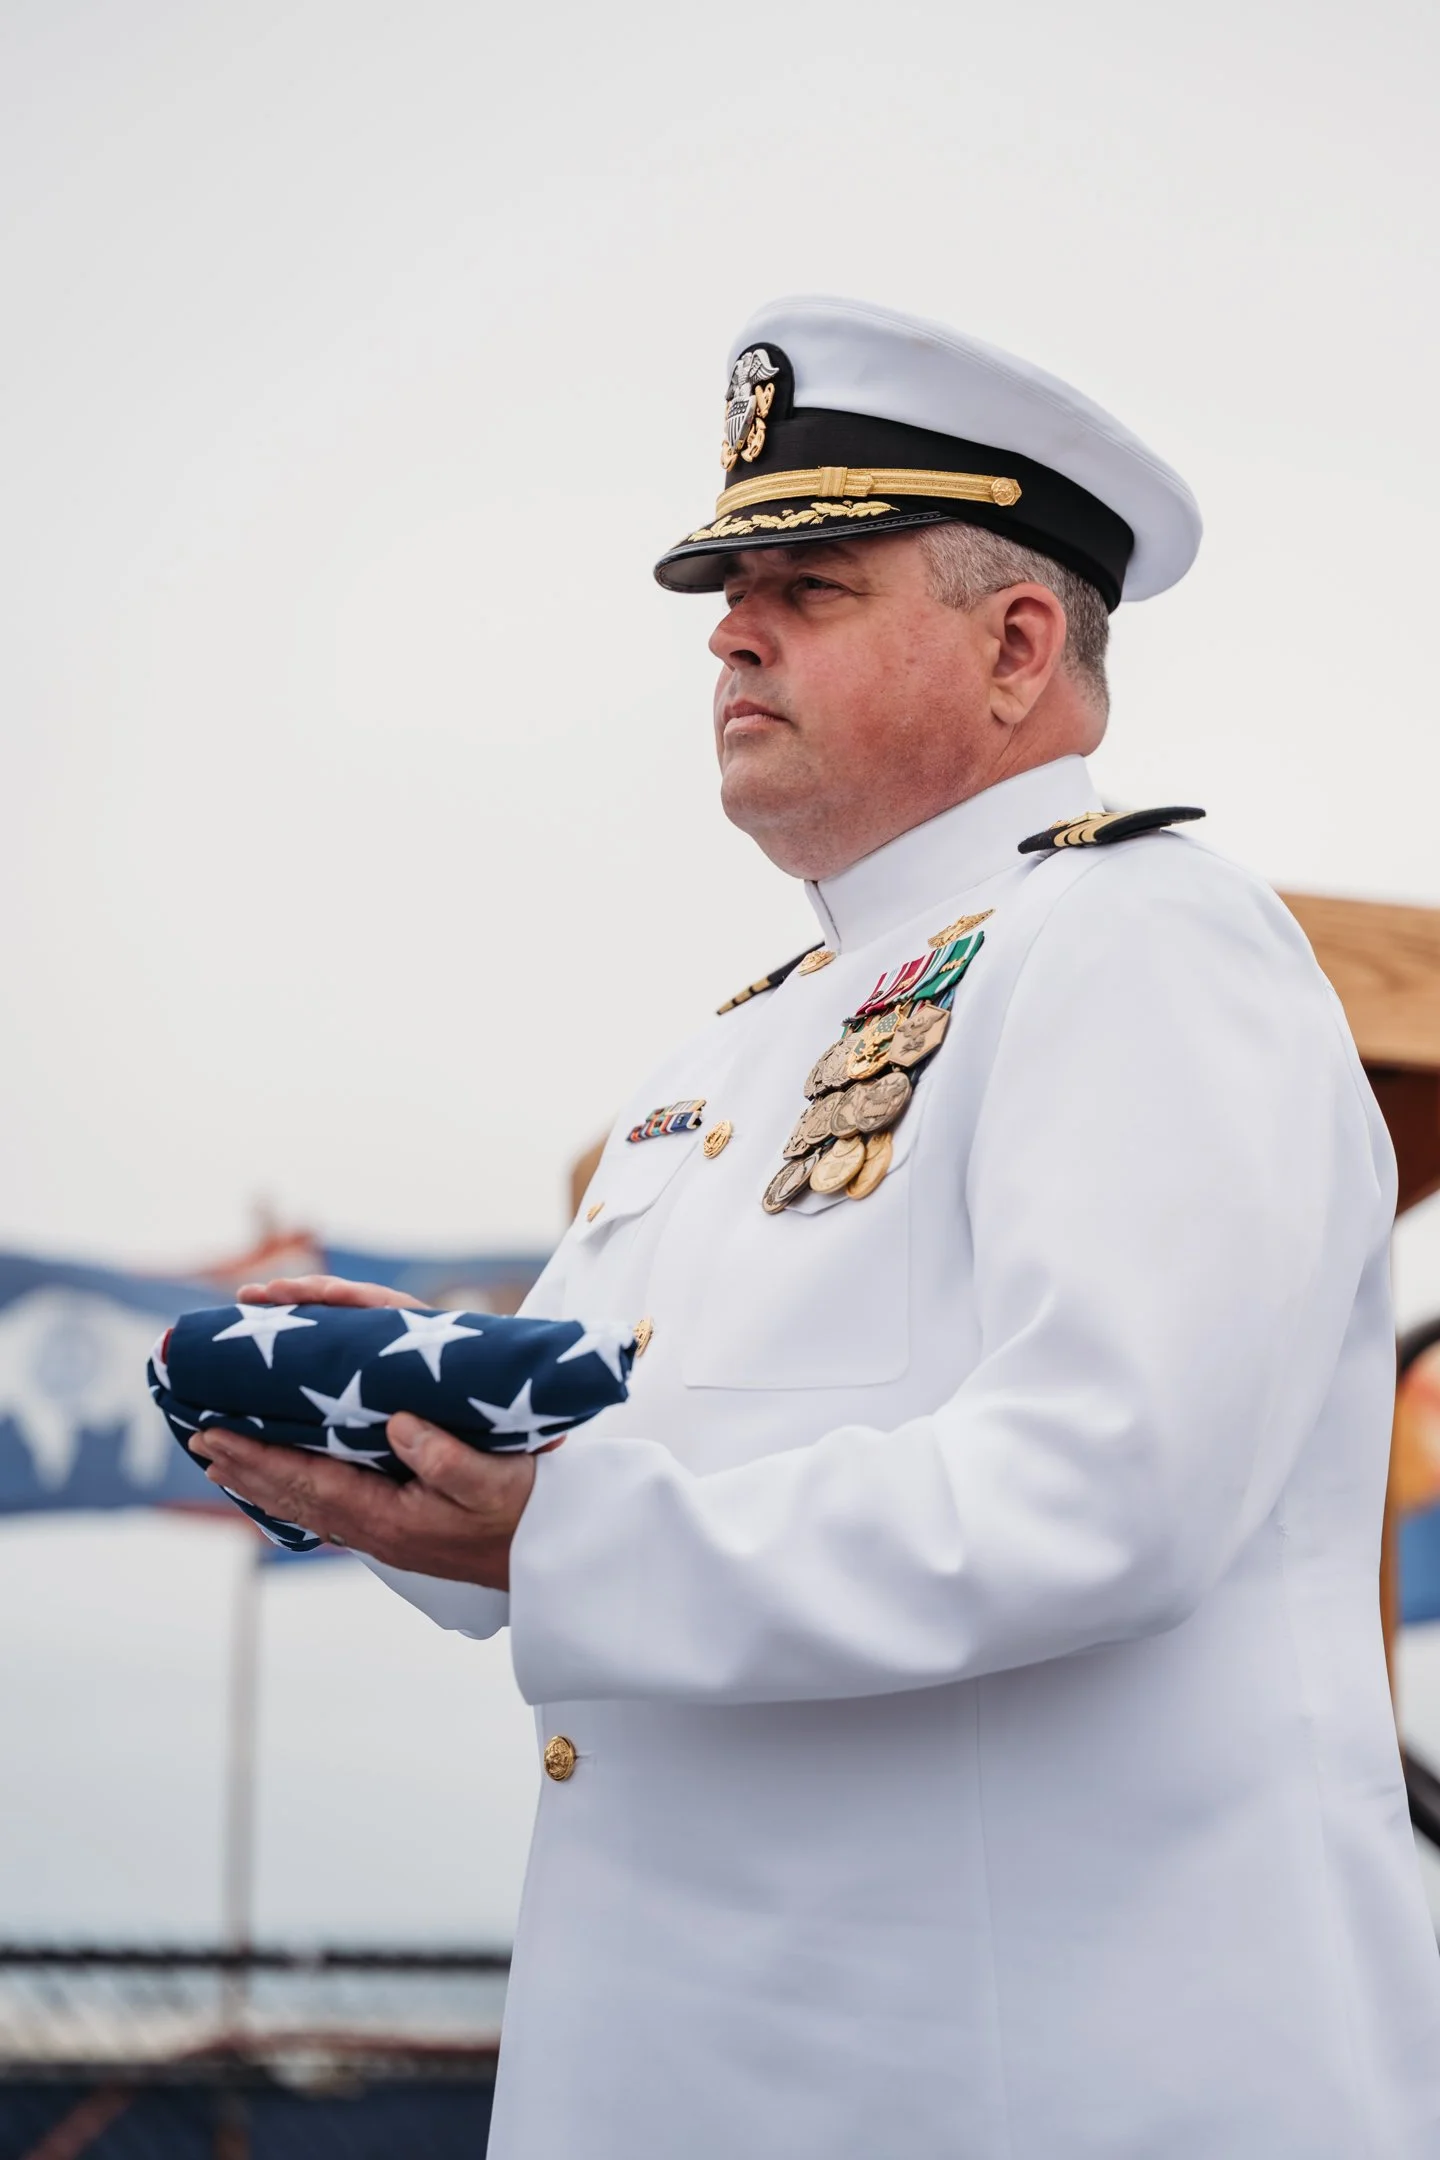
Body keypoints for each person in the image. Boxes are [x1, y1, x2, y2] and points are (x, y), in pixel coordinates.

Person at [198, 296, 1440, 2158]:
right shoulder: (739, 1043)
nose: (729, 629)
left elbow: (1102, 1488)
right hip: (712, 2083)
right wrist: (412, 1454)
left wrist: (567, 1529)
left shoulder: (1144, 948)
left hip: (1029, 2092)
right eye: (730, 588)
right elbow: (597, 1494)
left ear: (1021, 643)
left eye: (813, 581)